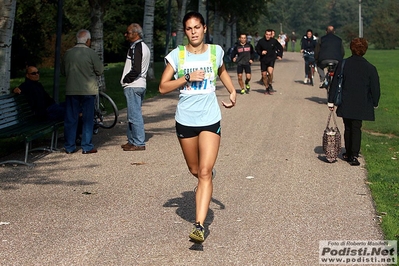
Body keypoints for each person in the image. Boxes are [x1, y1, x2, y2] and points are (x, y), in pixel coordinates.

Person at [159, 11, 236, 243]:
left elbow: (221, 70)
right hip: (186, 120)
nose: (193, 32)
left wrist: (232, 91)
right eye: (189, 28)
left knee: (204, 172)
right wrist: (187, 78)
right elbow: (162, 87)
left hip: (210, 119)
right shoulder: (178, 55)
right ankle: (204, 180)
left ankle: (199, 226)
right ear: (186, 32)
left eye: (197, 27)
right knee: (196, 170)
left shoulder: (215, 51)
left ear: (204, 28)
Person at [327, 38, 380, 166]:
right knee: (357, 127)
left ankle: (348, 152)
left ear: (351, 49)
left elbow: (335, 83)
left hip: (346, 100)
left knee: (348, 127)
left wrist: (331, 101)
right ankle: (354, 155)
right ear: (365, 50)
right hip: (361, 102)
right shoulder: (370, 68)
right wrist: (375, 102)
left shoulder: (343, 64)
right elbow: (375, 88)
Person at [62, 29, 104, 154]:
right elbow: (100, 70)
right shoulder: (91, 53)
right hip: (88, 90)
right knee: (88, 118)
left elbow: (63, 71)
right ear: (88, 40)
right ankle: (86, 146)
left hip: (71, 90)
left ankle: (69, 146)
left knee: (71, 118)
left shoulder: (68, 53)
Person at [120, 23, 150, 151]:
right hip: (140, 84)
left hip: (134, 84)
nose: (126, 35)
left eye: (128, 33)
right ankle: (132, 140)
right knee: (132, 113)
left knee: (134, 115)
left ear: (136, 34)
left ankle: (138, 142)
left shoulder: (137, 47)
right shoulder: (142, 47)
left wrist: (126, 79)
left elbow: (136, 69)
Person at [256, 29, 283, 95]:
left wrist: (279, 55)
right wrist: (261, 52)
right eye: (267, 34)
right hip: (263, 59)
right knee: (264, 75)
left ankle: (270, 83)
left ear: (271, 35)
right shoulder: (261, 41)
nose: (268, 36)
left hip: (271, 58)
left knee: (270, 72)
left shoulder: (274, 41)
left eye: (269, 35)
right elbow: (257, 49)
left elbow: (280, 48)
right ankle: (267, 87)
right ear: (265, 34)